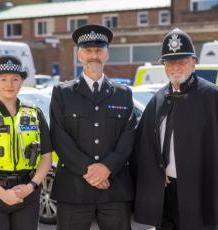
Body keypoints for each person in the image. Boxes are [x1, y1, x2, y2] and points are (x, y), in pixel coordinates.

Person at [133, 28, 218, 230]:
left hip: (200, 191)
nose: (175, 67)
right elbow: (143, 143)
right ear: (164, 66)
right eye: (170, 62)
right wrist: (155, 171)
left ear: (193, 63)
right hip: (165, 193)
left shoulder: (210, 95)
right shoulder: (158, 99)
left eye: (181, 61)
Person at [49, 24, 137, 230]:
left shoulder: (123, 93)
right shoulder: (63, 92)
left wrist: (106, 168)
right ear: (79, 55)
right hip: (73, 189)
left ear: (107, 55)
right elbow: (60, 137)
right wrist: (91, 171)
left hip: (114, 188)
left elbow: (129, 135)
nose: (93, 56)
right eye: (88, 51)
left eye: (99, 51)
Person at [0, 54, 53, 230]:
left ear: (22, 81)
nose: (10, 84)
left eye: (15, 79)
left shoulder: (35, 114)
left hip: (27, 194)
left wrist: (31, 186)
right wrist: (2, 193)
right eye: (3, 79)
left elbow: (46, 156)